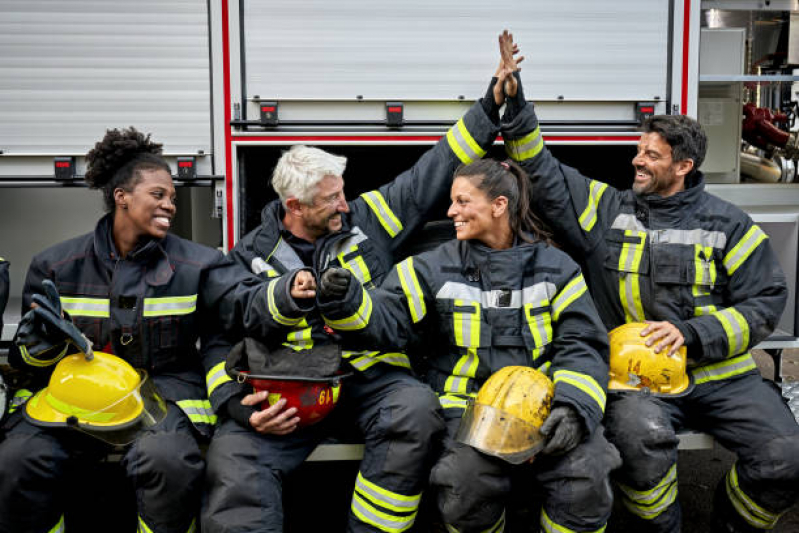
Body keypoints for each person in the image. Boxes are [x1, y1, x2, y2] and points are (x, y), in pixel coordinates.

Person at [201, 36, 518, 533]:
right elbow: (220, 340)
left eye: (343, 193)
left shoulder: (368, 218)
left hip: (370, 378)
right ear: (296, 208)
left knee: (415, 410)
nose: (345, 205)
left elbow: (430, 173)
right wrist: (240, 411)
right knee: (234, 458)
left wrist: (491, 104)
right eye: (331, 200)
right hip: (293, 390)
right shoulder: (248, 257)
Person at [497, 34, 799, 533]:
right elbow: (543, 171)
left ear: (684, 167)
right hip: (635, 380)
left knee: (787, 456)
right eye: (639, 150)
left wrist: (695, 334)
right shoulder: (606, 210)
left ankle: (731, 522)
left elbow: (766, 301)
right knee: (640, 445)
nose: (637, 160)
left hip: (720, 375)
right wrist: (515, 102)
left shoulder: (730, 224)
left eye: (652, 155)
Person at [317, 157, 621, 533]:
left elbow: (583, 345)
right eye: (451, 201)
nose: (451, 211)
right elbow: (386, 318)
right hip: (465, 413)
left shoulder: (558, 268)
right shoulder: (428, 268)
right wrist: (348, 300)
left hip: (548, 414)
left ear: (499, 206)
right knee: (465, 485)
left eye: (462, 201)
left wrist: (573, 409)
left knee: (586, 478)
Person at [0, 127, 277, 533]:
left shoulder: (199, 264)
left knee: (169, 462)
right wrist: (40, 347)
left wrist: (286, 295)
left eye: (173, 198)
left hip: (161, 393)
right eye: (158, 195)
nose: (170, 205)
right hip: (73, 397)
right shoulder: (56, 266)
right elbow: (28, 363)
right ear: (122, 197)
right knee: (18, 461)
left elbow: (243, 304)